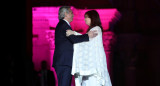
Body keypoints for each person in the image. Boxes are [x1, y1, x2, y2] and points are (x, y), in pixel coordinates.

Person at [52, 6, 98, 86]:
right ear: (66, 14)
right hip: (64, 62)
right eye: (71, 13)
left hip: (63, 62)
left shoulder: (63, 25)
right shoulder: (63, 25)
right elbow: (74, 39)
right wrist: (88, 36)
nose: (73, 15)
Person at [66, 10, 112, 86]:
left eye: (86, 17)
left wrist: (74, 33)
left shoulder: (96, 29)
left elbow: (86, 44)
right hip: (89, 70)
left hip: (94, 70)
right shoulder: (92, 30)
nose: (84, 19)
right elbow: (85, 41)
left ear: (92, 18)